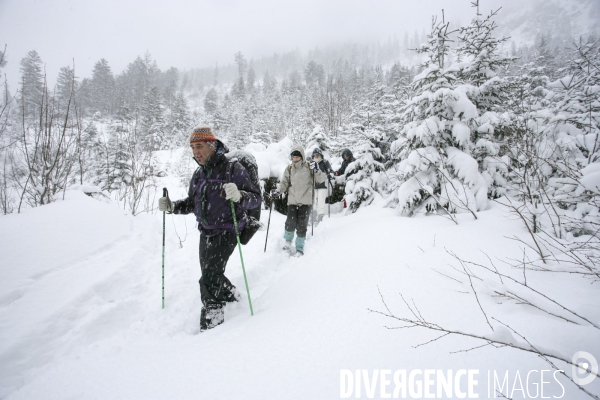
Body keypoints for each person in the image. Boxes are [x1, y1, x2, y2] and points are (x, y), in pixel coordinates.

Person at [157, 125, 261, 331]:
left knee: (209, 277)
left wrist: (240, 195)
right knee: (210, 273)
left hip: (228, 229)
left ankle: (211, 323)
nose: (196, 152)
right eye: (193, 147)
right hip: (206, 231)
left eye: (200, 146)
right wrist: (173, 206)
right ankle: (231, 295)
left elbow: (255, 199)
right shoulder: (199, 174)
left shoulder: (233, 168)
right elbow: (191, 203)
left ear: (212, 145)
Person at [274, 144, 325, 256]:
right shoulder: (289, 168)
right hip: (292, 201)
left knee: (302, 225)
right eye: (293, 157)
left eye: (297, 156)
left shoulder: (309, 167)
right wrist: (278, 191)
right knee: (290, 223)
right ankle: (287, 242)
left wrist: (317, 170)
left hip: (306, 202)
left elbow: (321, 179)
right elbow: (284, 183)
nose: (295, 159)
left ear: (302, 156)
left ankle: (299, 248)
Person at [311, 147, 333, 223]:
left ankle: (321, 216)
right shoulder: (311, 163)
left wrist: (329, 175)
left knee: (321, 201)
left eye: (318, 155)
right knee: (313, 201)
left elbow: (330, 171)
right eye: (315, 155)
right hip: (313, 186)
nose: (316, 157)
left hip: (322, 186)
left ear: (320, 155)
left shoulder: (325, 162)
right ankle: (313, 216)